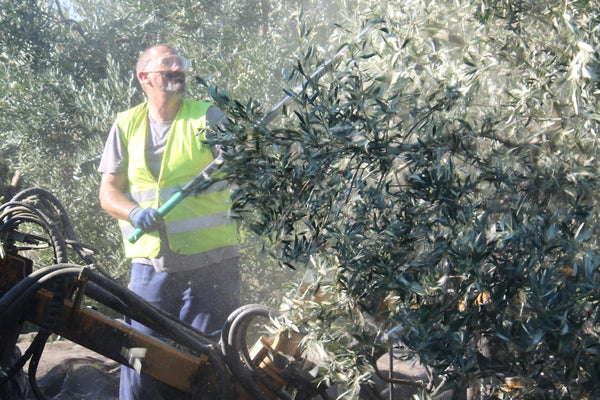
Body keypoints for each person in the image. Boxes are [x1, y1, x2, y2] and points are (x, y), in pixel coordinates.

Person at [97, 44, 240, 400]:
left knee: (205, 363)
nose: (179, 68)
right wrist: (132, 211)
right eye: (169, 63)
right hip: (150, 268)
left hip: (212, 267)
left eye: (182, 63)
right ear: (145, 76)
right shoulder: (126, 124)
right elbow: (108, 192)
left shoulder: (208, 117)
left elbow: (246, 169)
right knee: (139, 357)